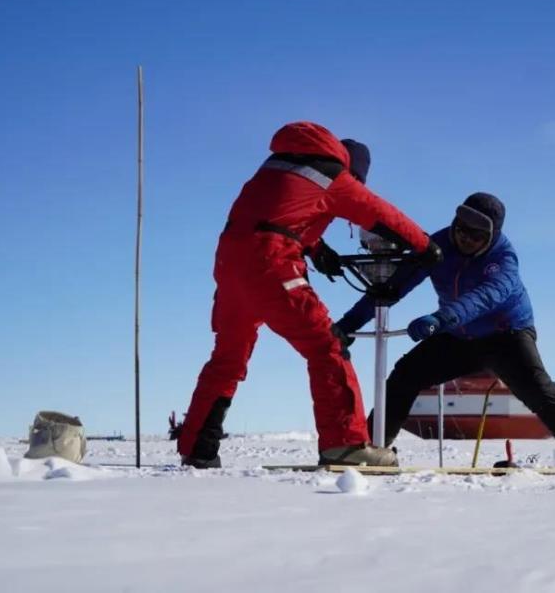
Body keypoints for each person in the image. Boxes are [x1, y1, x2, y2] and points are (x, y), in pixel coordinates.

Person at [173, 121, 442, 468]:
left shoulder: (282, 165)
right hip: (270, 263)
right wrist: (426, 247)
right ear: (354, 170)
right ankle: (345, 444)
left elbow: (282, 211)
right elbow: (379, 213)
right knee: (326, 346)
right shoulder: (335, 176)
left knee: (227, 359)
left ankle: (197, 446)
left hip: (230, 262)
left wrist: (315, 249)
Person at [334, 192, 555, 468]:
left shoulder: (504, 260)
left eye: (476, 235)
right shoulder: (437, 246)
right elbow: (393, 288)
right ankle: (371, 448)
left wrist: (441, 318)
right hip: (458, 336)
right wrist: (349, 325)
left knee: (537, 390)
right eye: (461, 228)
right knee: (405, 375)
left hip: (505, 335)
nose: (465, 238)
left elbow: (484, 297)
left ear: (491, 237)